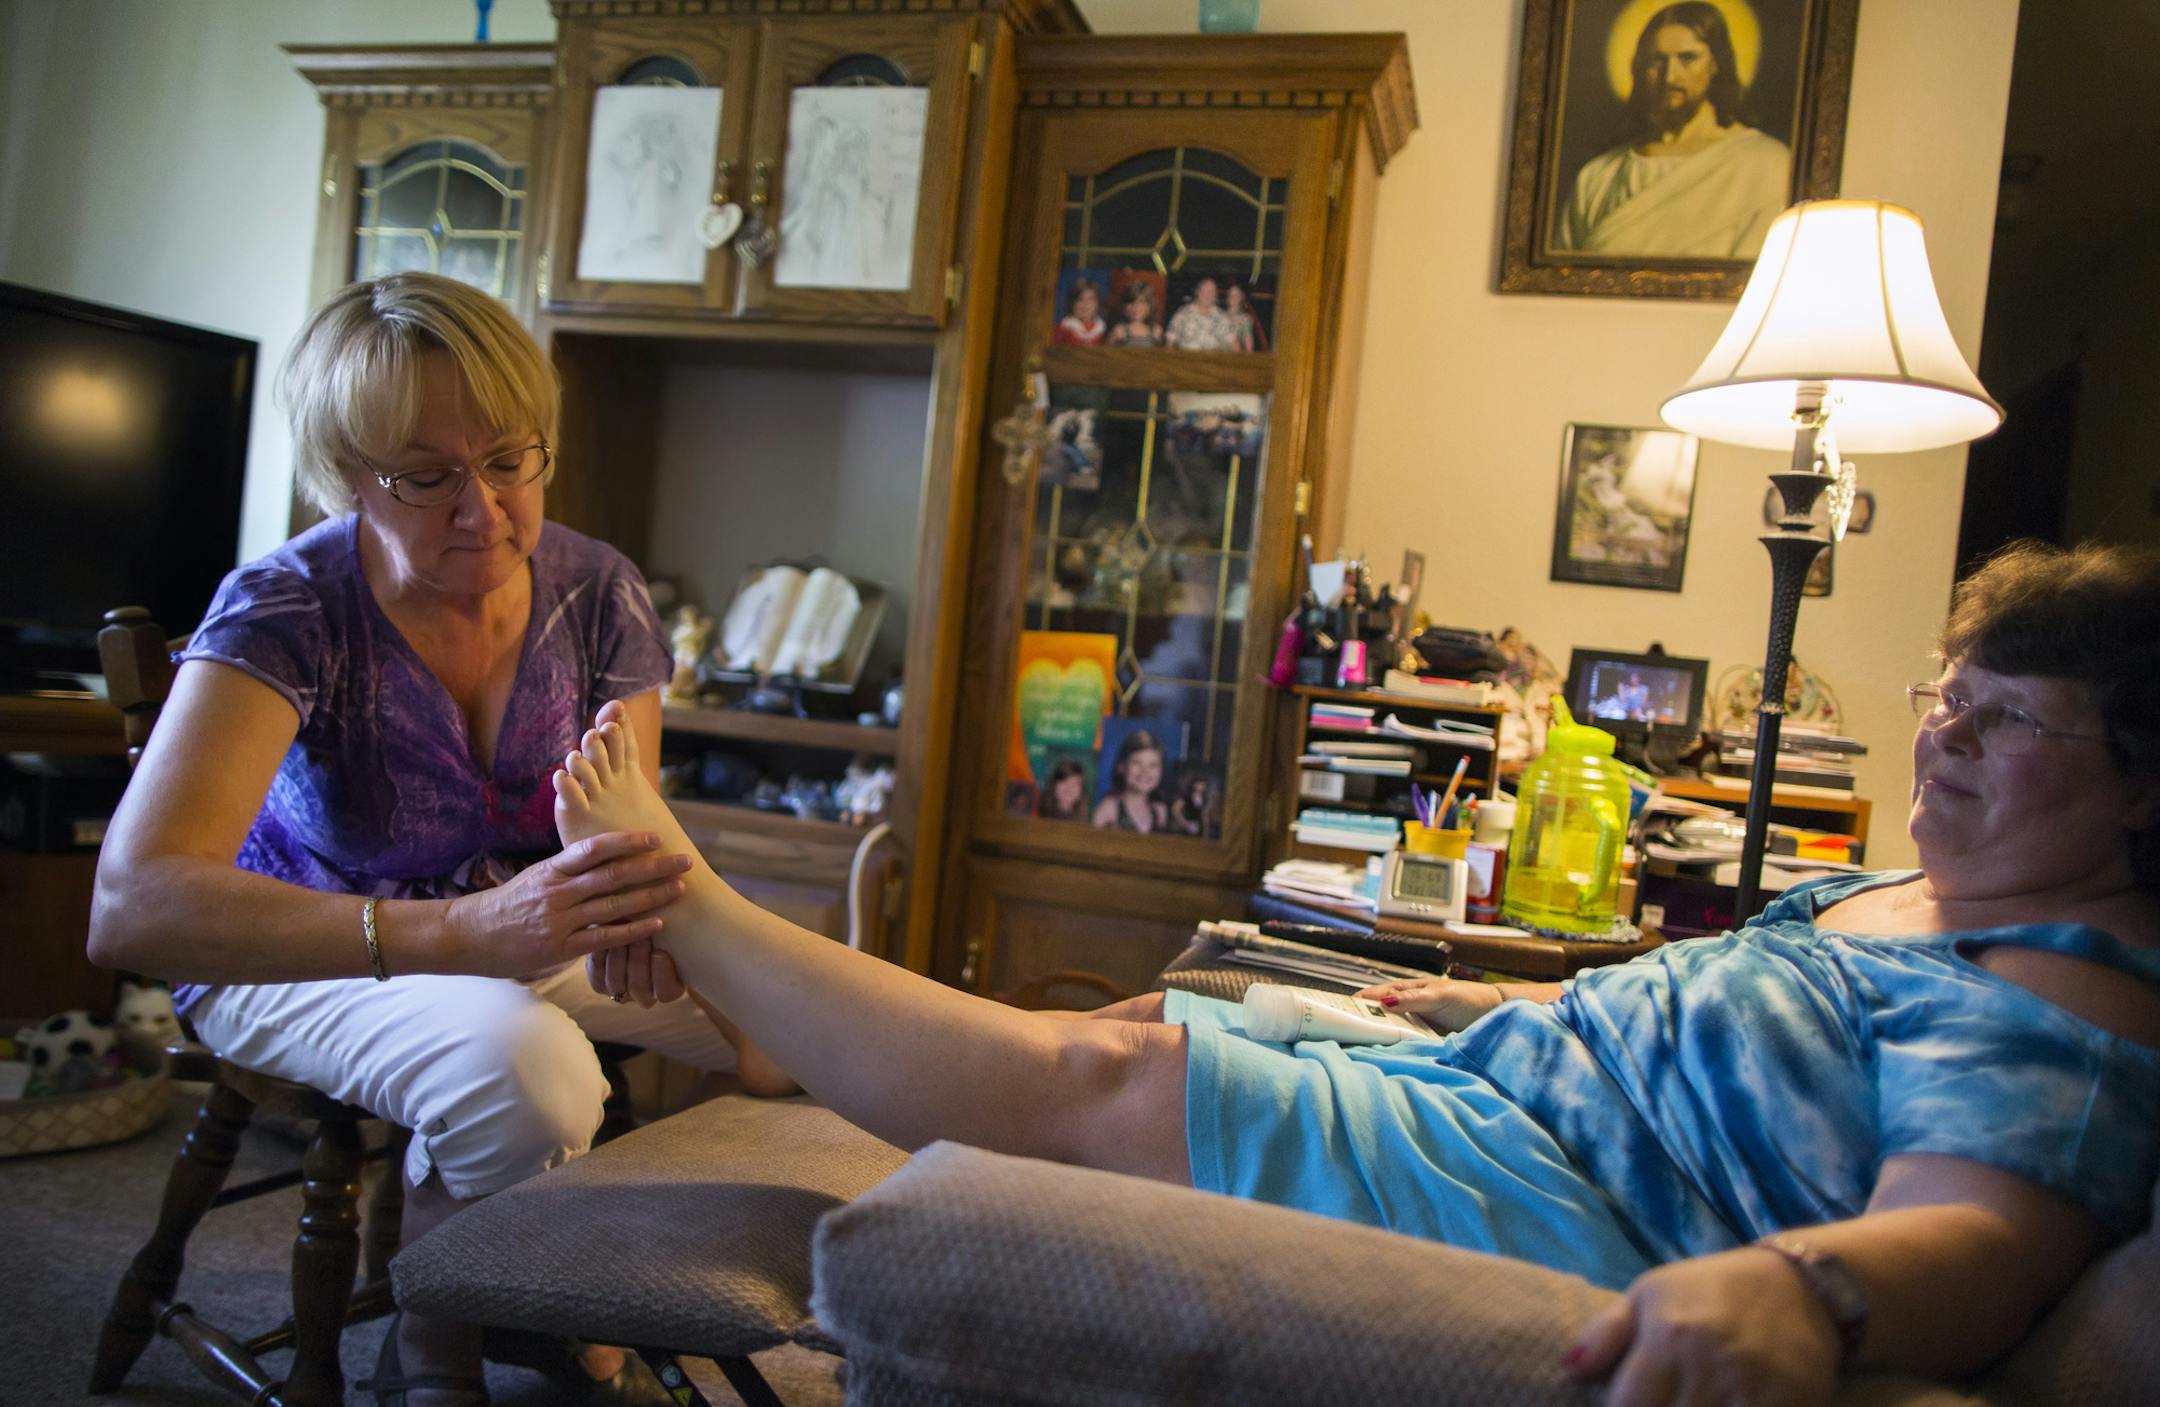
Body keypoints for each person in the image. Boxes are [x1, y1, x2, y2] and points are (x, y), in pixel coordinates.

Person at [536, 537, 2158, 1404]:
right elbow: (1698, 1028)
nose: (1945, 736)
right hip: (1511, 1080)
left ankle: (687, 905)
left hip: (1567, 1192)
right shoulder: (1902, 890)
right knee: (1165, 1003)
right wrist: (1488, 1001)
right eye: (1945, 695)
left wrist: (1805, 1289)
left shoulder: (2060, 1001)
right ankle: (780, 1031)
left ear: (2146, 781)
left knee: (1114, 1072)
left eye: (2009, 716)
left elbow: (1982, 1232)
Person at [86, 272, 796, 1407]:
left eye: (510, 458)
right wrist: (466, 930)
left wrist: (655, 917)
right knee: (532, 1076)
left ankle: (533, 1259)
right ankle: (442, 1323)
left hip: (527, 931)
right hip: (299, 952)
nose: (485, 511)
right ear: (345, 476)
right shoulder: (286, 607)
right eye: (427, 477)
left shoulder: (598, 593)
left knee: (809, 1020)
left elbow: (631, 824)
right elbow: (134, 906)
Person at [1553, 2, 1793, 259]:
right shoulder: (1598, 176)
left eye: (1687, 58)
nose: (1670, 76)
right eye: (1657, 60)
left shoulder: (1767, 165)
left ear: (1716, 63)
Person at [1090, 729, 1170, 832]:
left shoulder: (1159, 811)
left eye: (1153, 765)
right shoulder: (1109, 808)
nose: (1145, 771)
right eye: (1137, 763)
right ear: (1121, 766)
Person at [1163, 276, 1238, 351]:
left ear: (1216, 296)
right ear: (1197, 292)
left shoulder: (1222, 318)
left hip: (1214, 358)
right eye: (1204, 291)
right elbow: (1169, 343)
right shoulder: (1182, 314)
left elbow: (1234, 345)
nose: (1207, 295)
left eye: (1211, 291)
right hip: (1187, 357)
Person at [1105, 278, 1162, 347]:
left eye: (1141, 302)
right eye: (1131, 302)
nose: (1136, 307)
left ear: (1149, 305)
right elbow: (1105, 350)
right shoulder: (1119, 331)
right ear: (1124, 305)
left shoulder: (1156, 331)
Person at [1053, 276, 1106, 346]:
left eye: (1090, 299)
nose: (1085, 303)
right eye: (1080, 299)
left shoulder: (1102, 329)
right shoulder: (1063, 328)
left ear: (1097, 303)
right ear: (1073, 303)